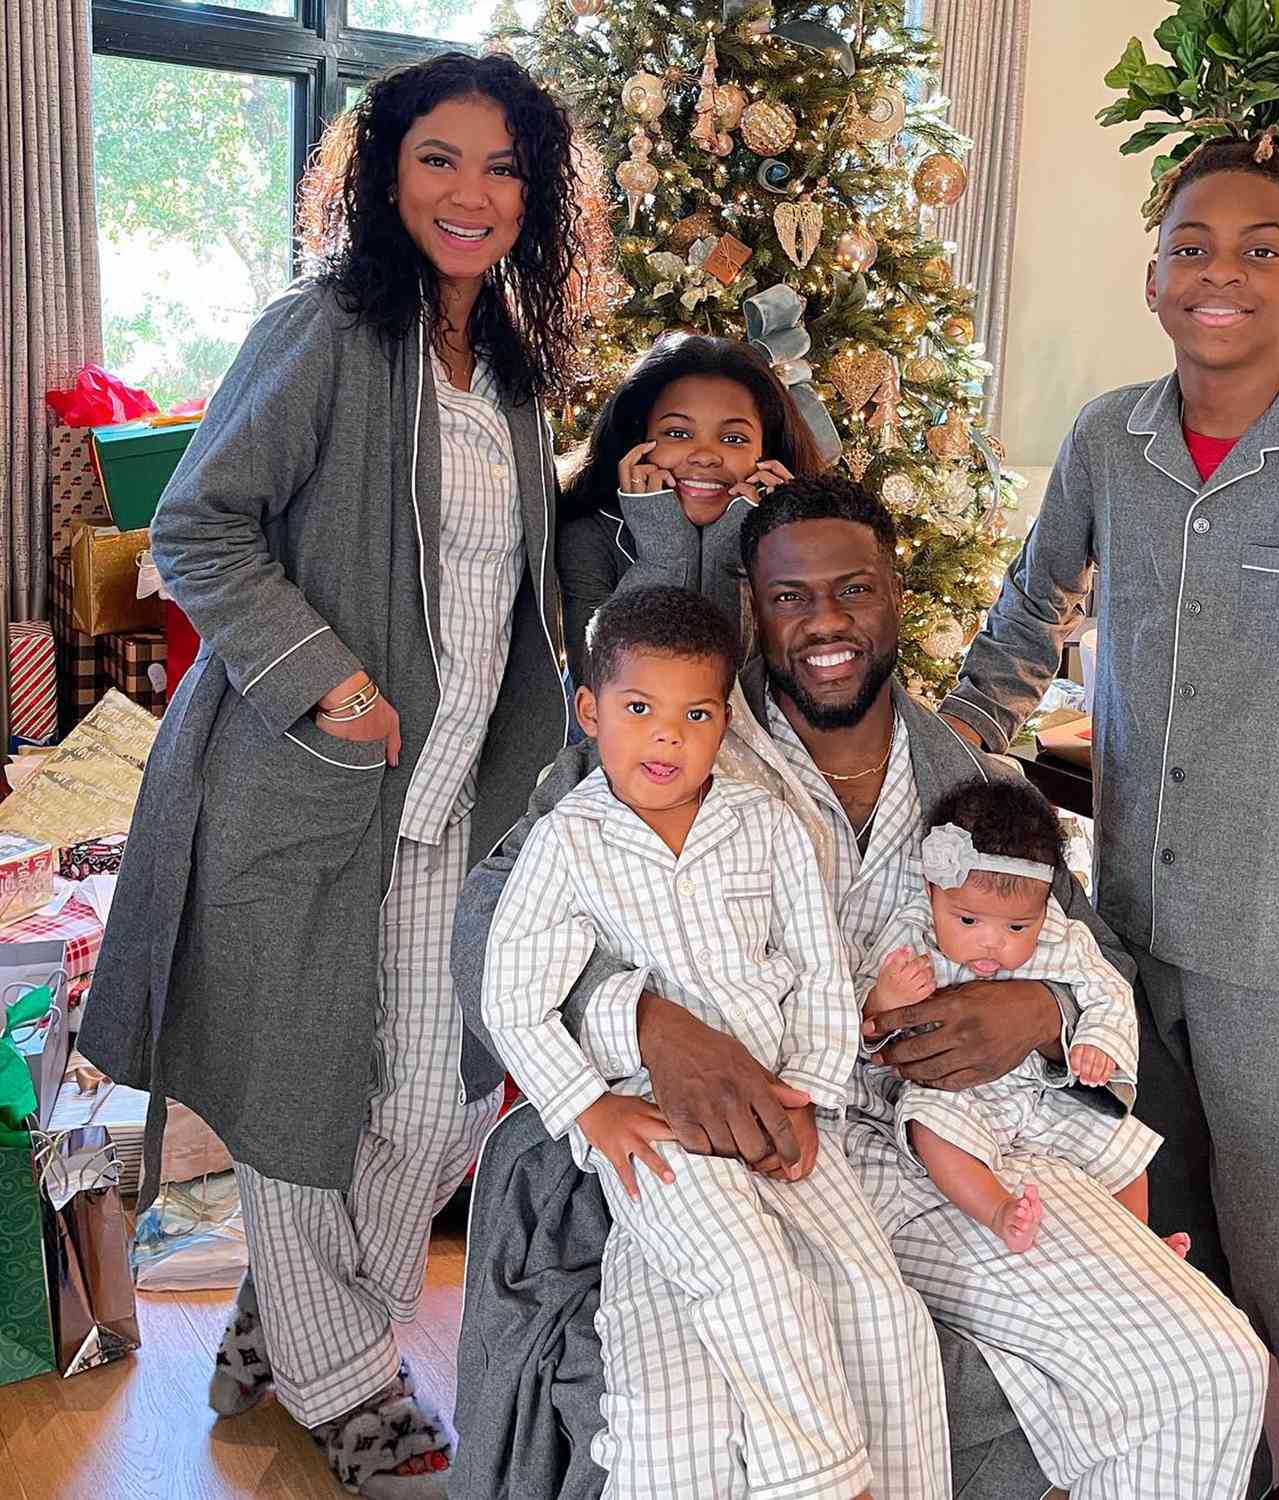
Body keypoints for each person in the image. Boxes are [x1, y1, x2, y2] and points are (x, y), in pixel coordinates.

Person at [448, 476, 1269, 1500]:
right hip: (744, 1144)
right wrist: (645, 1021)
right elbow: (489, 929)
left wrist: (1042, 1011)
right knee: (694, 1437)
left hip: (949, 1145)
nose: (826, 621)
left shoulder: (975, 784)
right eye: (791, 598)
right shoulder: (666, 742)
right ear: (753, 608)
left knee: (1215, 1365)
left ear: (897, 597)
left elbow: (1086, 954)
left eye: (855, 590)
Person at [938, 128, 1279, 1499]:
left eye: (1261, 248)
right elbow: (1024, 625)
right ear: (1152, 278)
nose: (1222, 274)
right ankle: (1204, 1441)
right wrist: (928, 773)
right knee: (1157, 1201)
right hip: (1128, 914)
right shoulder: (1107, 443)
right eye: (1192, 246)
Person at [78, 51, 582, 1498]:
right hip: (303, 788)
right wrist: (328, 678)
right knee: (301, 1093)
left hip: (455, 806)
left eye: (501, 165)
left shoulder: (517, 371)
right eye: (439, 159)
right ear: (385, 175)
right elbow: (200, 528)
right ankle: (345, 1380)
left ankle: (281, 1319)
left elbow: (530, 580)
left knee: (439, 1104)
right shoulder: (322, 332)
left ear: (534, 189)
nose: (471, 193)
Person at [482, 584, 950, 1500]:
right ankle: (824, 1483)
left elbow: (819, 971)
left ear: (724, 718)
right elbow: (513, 999)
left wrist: (810, 1091)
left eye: (696, 713)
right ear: (591, 712)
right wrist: (593, 1108)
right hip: (662, 1129)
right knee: (749, 1278)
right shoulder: (570, 842)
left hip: (780, 1107)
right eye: (639, 709)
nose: (667, 736)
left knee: (883, 1309)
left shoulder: (766, 826)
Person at [861, 776, 1188, 1257]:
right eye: (968, 920)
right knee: (929, 1126)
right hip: (956, 1091)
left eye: (1017, 926)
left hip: (1039, 1091)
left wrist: (1096, 1042)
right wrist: (883, 999)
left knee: (1121, 1146)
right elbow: (860, 1021)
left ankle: (1141, 1245)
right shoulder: (911, 936)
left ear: (1043, 906)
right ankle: (996, 1210)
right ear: (932, 892)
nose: (992, 942)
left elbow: (1107, 990)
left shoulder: (1061, 937)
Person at [557, 333, 822, 679]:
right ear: (640, 441)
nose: (705, 456)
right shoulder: (589, 536)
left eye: (733, 439)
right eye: (678, 433)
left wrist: (731, 555)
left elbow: (767, 690)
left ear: (765, 456)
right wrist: (664, 554)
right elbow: (601, 682)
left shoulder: (802, 544)